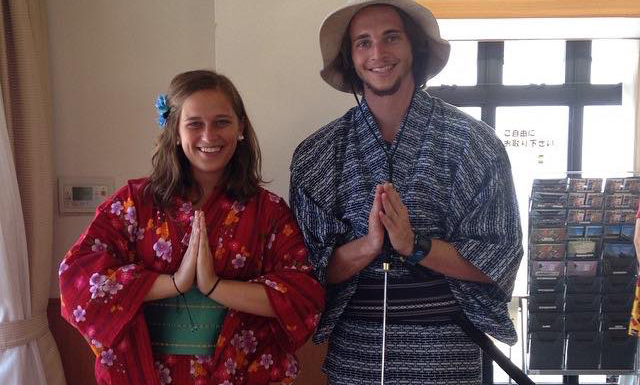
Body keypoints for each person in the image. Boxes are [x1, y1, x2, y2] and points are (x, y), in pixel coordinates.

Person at [289, 0, 523, 383]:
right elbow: (306, 270)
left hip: (446, 351)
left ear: (415, 47)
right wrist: (367, 246)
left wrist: (415, 245)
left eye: (391, 38)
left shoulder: (474, 144)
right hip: (356, 352)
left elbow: (498, 257)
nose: (378, 53)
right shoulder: (317, 155)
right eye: (363, 42)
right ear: (350, 58)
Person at [59, 70, 324, 385]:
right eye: (195, 123)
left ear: (241, 127)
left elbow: (304, 294)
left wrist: (214, 285)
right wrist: (174, 282)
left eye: (222, 122)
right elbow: (77, 276)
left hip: (240, 373)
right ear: (174, 130)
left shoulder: (268, 211)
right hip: (153, 372)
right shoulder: (135, 202)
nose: (209, 136)